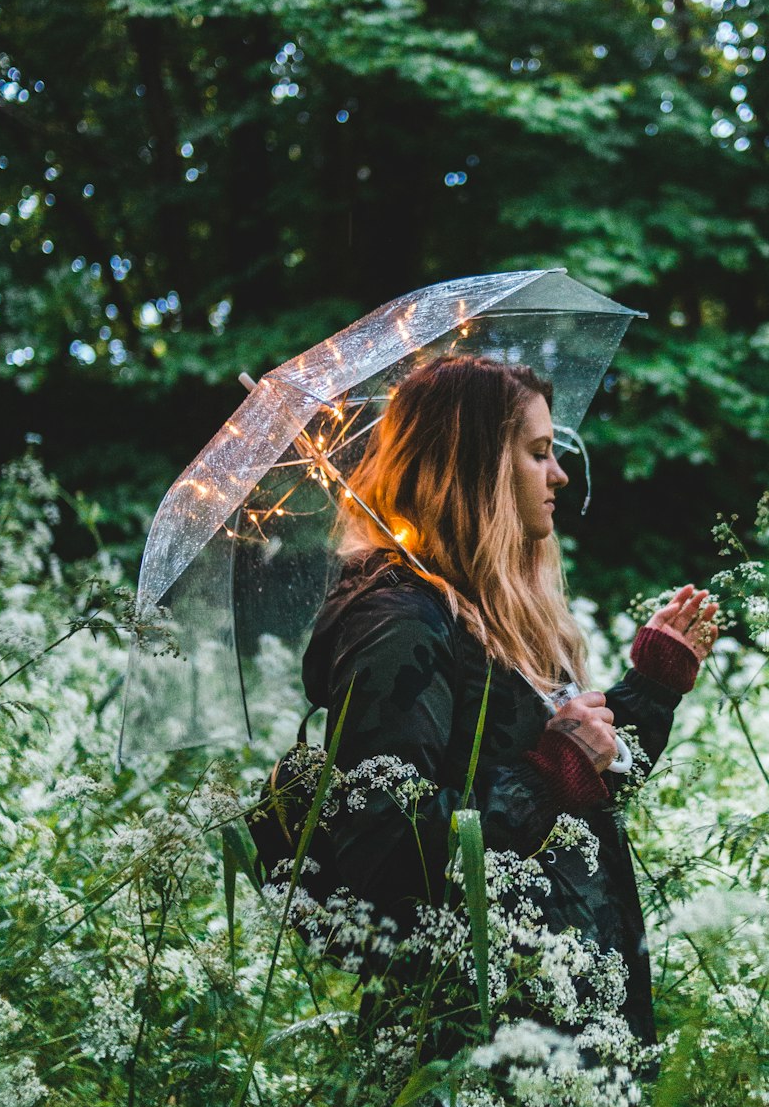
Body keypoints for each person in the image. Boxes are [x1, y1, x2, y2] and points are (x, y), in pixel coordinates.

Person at [298, 353, 718, 1048]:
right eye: (538, 453)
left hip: (571, 1014)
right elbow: (384, 850)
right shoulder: (399, 623)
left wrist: (651, 688)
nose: (559, 475)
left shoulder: (493, 615)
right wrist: (548, 774)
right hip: (477, 1041)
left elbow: (583, 795)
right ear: (474, 466)